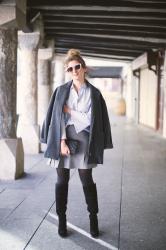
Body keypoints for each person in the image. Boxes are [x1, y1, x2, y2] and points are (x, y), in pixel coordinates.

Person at [40, 49, 113, 238]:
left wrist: (71, 112)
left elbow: (91, 121)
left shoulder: (94, 94)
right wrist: (62, 141)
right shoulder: (61, 91)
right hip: (62, 139)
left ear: (84, 68)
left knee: (86, 180)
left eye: (77, 67)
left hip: (85, 140)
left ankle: (93, 220)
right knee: (61, 180)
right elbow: (58, 118)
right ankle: (62, 221)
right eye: (70, 69)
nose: (74, 71)